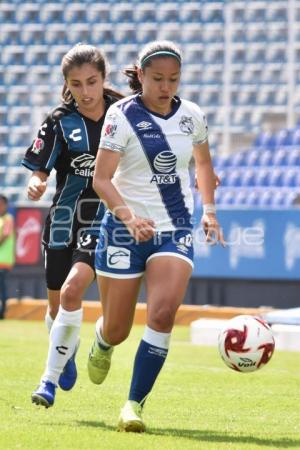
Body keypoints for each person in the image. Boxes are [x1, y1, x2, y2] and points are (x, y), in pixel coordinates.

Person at [87, 40, 225, 432]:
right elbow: (101, 179)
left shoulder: (192, 116)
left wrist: (210, 212)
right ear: (141, 76)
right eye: (158, 79)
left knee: (163, 313)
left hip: (174, 228)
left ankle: (133, 405)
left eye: (174, 79)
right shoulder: (121, 115)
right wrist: (129, 218)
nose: (167, 87)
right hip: (123, 229)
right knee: (117, 328)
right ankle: (102, 341)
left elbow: (203, 163)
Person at [22, 44, 123, 407]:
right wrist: (36, 181)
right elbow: (40, 167)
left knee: (72, 291)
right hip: (62, 220)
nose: (85, 91)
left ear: (103, 79)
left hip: (102, 220)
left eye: (92, 82)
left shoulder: (123, 114)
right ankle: (65, 354)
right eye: (77, 84)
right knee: (55, 309)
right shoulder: (58, 120)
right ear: (67, 83)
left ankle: (46, 382)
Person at [0, 195, 15, 319]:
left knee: (2, 287)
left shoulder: (8, 218)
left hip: (3, 260)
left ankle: (2, 313)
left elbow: (5, 235)